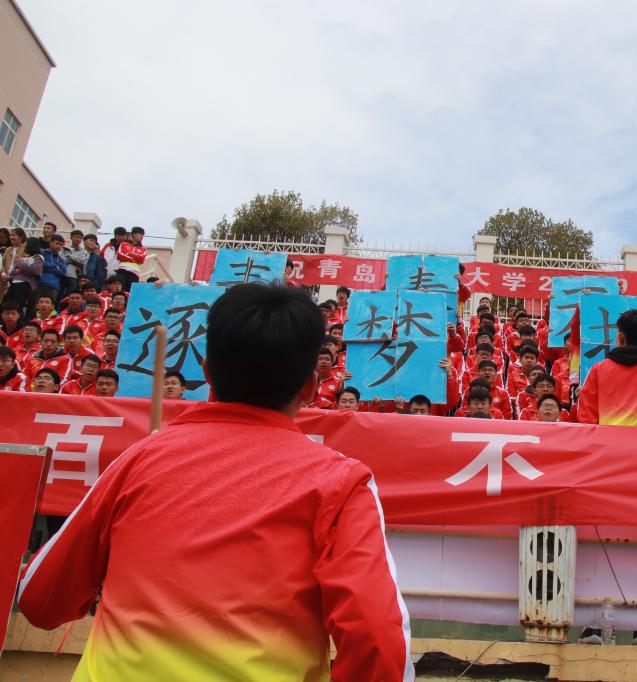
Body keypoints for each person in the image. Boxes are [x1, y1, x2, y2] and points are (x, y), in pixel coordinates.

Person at [17, 283, 413, 680]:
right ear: (310, 386)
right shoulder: (341, 483)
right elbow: (377, 639)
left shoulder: (137, 460)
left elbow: (40, 599)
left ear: (206, 372)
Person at [39, 234, 68, 306]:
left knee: (50, 307)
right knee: (37, 305)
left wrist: (46, 268)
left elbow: (63, 272)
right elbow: (40, 264)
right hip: (40, 283)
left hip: (54, 286)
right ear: (50, 243)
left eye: (61, 245)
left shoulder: (62, 259)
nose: (59, 246)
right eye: (57, 243)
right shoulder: (42, 252)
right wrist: (55, 267)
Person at [115, 226, 147, 291]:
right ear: (134, 234)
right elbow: (119, 255)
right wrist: (134, 258)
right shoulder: (124, 244)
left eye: (143, 234)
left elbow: (141, 259)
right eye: (140, 234)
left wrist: (128, 254)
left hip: (134, 273)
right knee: (119, 291)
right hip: (122, 271)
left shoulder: (143, 249)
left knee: (130, 293)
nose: (142, 236)